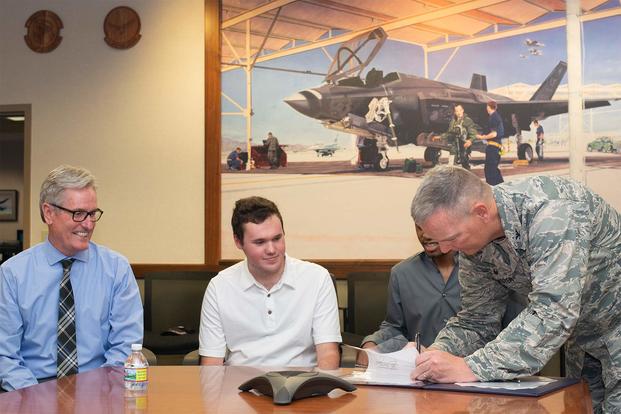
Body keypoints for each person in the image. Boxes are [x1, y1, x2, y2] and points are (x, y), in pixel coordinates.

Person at [410, 165, 621, 413]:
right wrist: (436, 353)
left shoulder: (552, 208)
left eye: (451, 238)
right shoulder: (473, 244)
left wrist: (472, 367)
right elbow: (477, 319)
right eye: (439, 241)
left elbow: (554, 310)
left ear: (481, 212)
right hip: (583, 345)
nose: (445, 250)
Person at [0, 165, 142, 392]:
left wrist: (98, 394)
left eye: (92, 213)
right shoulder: (12, 274)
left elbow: (125, 347)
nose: (87, 224)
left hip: (98, 389)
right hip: (32, 389)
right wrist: (35, 399)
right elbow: (5, 355)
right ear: (48, 213)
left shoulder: (116, 269)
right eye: (78, 213)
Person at [199, 196, 341, 368]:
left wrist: (317, 389)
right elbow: (211, 363)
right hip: (239, 387)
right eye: (260, 242)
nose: (272, 250)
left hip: (302, 385)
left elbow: (328, 353)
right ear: (238, 242)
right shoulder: (219, 287)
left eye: (277, 238)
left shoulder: (317, 278)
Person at [356, 224, 460, 367]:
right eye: (419, 227)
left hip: (473, 372)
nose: (424, 235)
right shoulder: (401, 273)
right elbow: (395, 326)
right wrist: (372, 343)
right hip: (418, 372)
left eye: (431, 225)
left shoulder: (483, 268)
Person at [468, 101, 504, 185]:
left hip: (493, 147)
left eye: (486, 107)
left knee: (489, 169)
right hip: (496, 147)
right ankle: (500, 186)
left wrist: (482, 137)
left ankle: (493, 188)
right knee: (493, 169)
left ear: (488, 107)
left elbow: (494, 134)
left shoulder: (493, 117)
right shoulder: (497, 116)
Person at [434, 104, 478, 170]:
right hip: (454, 148)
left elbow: (474, 134)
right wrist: (440, 137)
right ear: (454, 112)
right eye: (456, 111)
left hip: (463, 147)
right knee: (451, 165)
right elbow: (449, 133)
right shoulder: (453, 121)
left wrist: (470, 141)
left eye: (460, 110)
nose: (458, 112)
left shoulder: (468, 121)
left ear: (463, 110)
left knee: (465, 166)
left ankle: (466, 177)